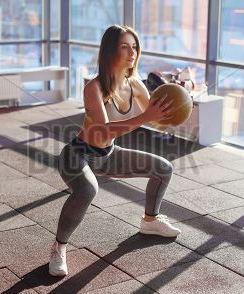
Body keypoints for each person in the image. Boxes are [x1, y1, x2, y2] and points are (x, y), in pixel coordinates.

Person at [49, 25, 181, 277]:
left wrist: (176, 106)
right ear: (110, 51)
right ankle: (59, 248)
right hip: (77, 155)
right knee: (88, 189)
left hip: (107, 155)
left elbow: (157, 120)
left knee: (163, 168)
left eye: (134, 46)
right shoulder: (94, 88)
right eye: (124, 46)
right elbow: (102, 131)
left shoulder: (134, 83)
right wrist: (147, 116)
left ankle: (150, 221)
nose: (131, 52)